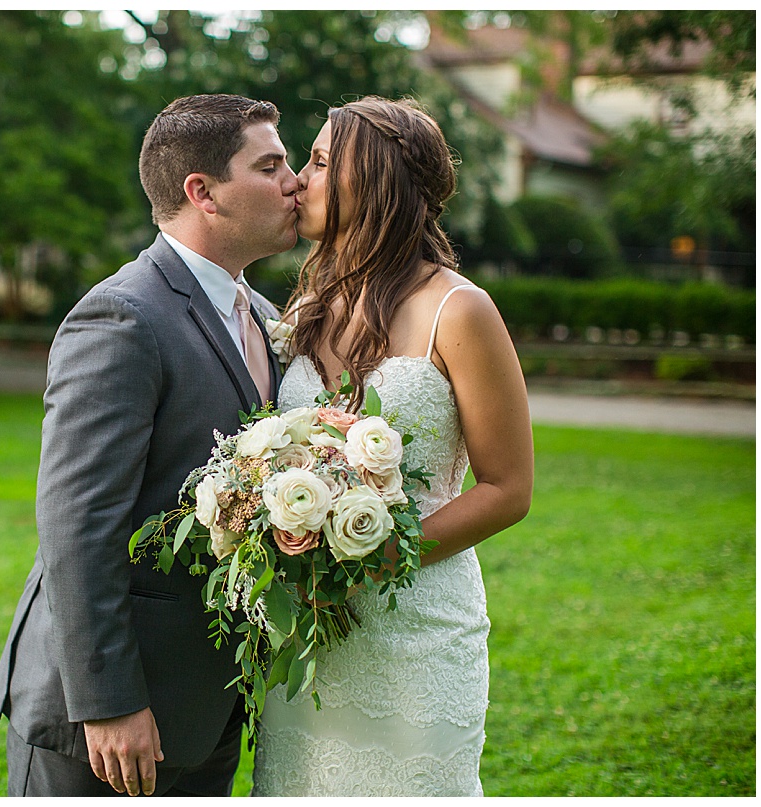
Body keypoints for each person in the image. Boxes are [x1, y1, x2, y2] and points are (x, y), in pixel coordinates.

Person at [0, 94, 299, 797]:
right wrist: (109, 701)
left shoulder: (272, 319)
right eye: (271, 164)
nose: (294, 182)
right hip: (107, 721)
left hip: (211, 700)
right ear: (203, 193)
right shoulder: (121, 316)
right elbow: (77, 522)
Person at [252, 96, 534, 796]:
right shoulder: (305, 307)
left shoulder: (459, 309)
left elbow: (508, 488)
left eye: (318, 162)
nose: (299, 179)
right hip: (311, 636)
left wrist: (374, 557)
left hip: (419, 632)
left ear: (368, 179)